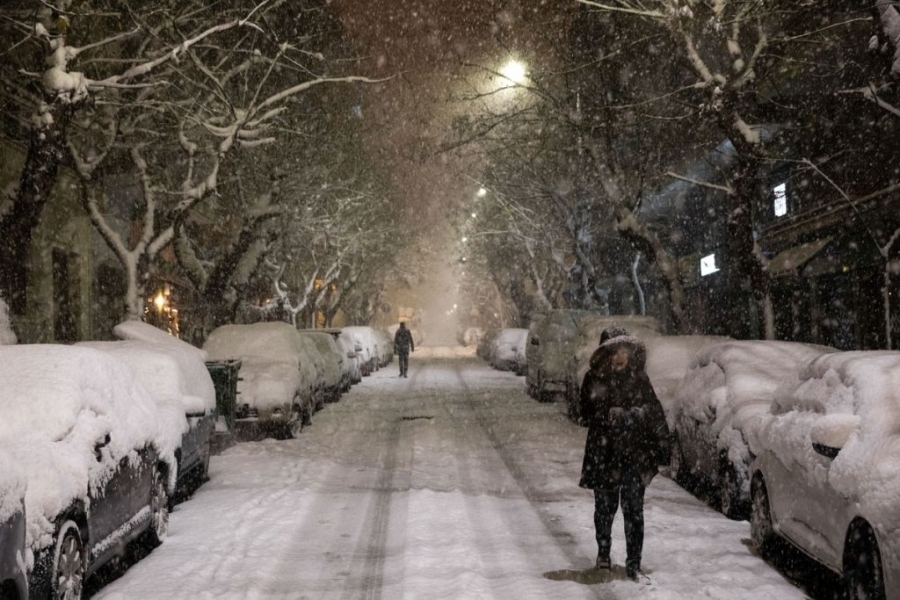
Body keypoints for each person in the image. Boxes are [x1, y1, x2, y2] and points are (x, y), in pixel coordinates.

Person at [579, 326, 670, 582]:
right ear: (605, 355)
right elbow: (583, 412)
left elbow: (654, 411)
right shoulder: (593, 379)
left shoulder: (639, 379)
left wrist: (659, 439)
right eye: (614, 351)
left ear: (630, 353)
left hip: (634, 456)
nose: (619, 357)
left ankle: (633, 562)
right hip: (604, 454)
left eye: (623, 351)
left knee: (633, 510)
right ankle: (604, 552)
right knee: (605, 508)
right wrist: (607, 415)